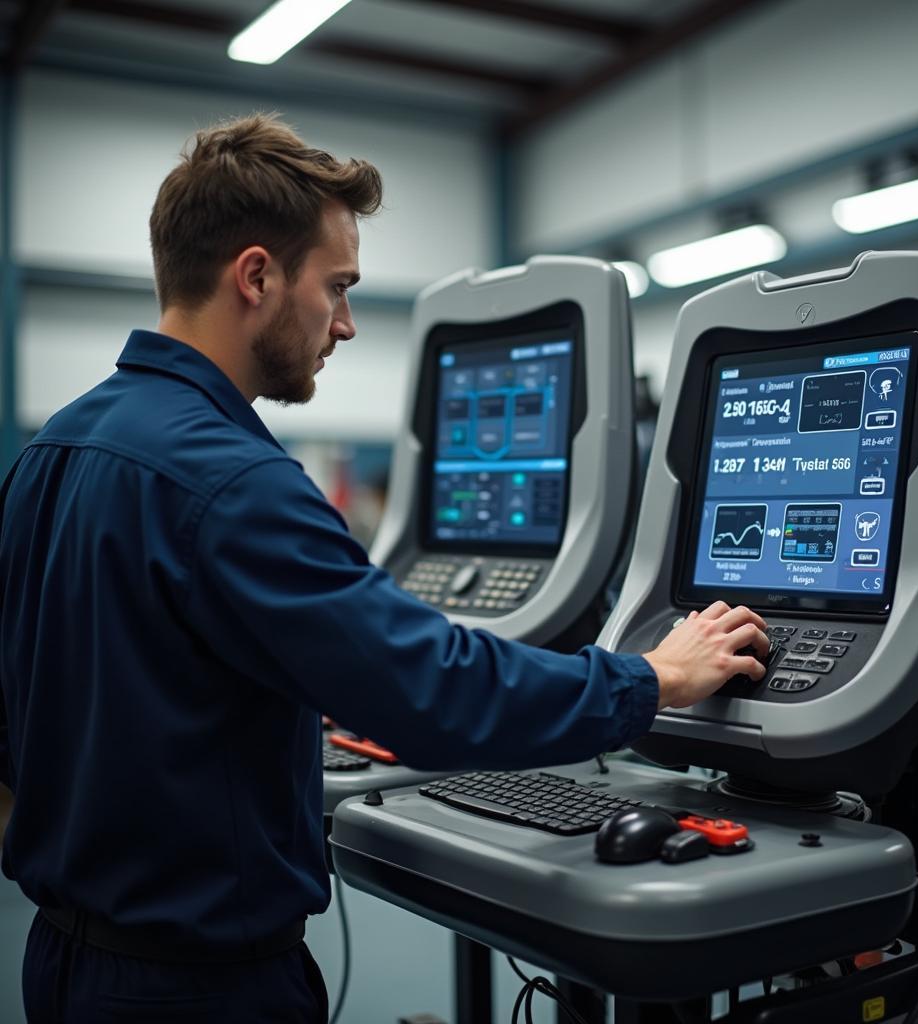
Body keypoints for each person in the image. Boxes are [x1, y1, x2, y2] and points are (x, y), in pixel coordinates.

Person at [0, 113, 769, 1023]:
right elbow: (435, 691)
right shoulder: (235, 482)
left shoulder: (54, 450)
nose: (348, 323)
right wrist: (651, 679)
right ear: (256, 277)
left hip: (62, 964)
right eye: (337, 287)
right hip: (198, 990)